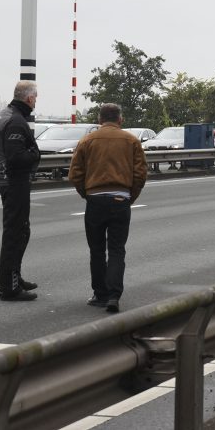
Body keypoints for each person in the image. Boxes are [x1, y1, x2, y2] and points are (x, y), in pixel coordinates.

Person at [68, 104, 148, 313]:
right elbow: (140, 174)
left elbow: (75, 174)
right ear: (120, 119)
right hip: (120, 199)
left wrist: (87, 194)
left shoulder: (87, 140)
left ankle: (100, 294)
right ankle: (114, 295)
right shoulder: (131, 140)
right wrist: (130, 196)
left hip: (95, 200)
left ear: (100, 119)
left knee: (96, 250)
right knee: (116, 249)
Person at [0, 80, 41, 301]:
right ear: (29, 98)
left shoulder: (4, 115)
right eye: (36, 97)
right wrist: (35, 154)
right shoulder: (16, 121)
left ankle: (15, 277)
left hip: (6, 179)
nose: (36, 101)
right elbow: (16, 157)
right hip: (14, 181)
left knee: (21, 230)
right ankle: (10, 287)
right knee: (15, 232)